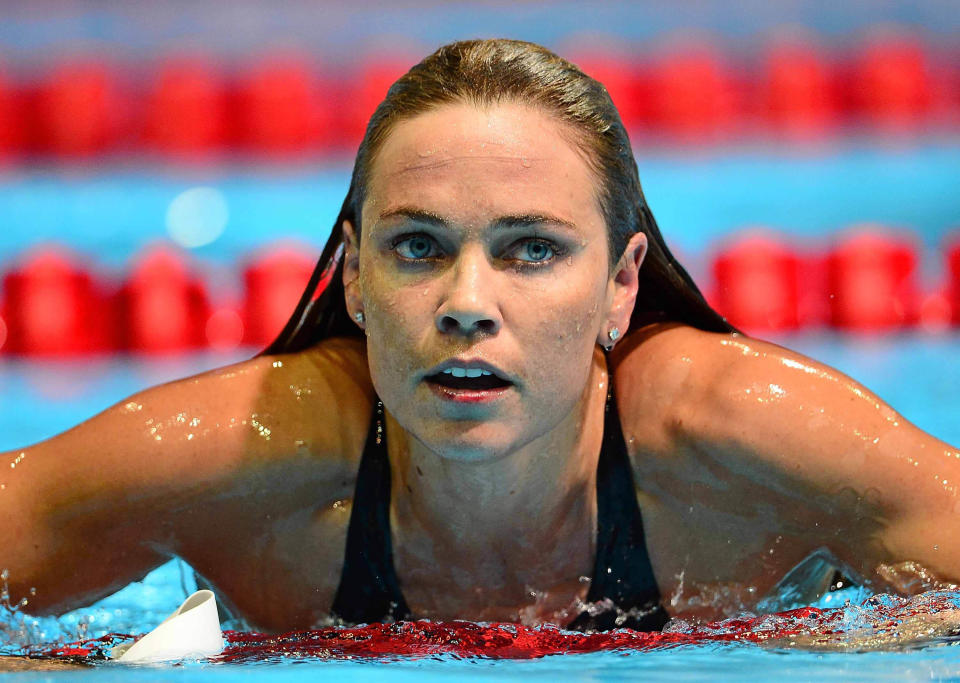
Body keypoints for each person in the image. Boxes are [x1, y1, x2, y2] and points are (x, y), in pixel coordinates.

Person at [1, 38, 958, 634]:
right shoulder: (250, 459)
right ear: (356, 281)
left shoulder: (734, 442)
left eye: (531, 251)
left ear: (621, 287)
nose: (467, 301)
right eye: (417, 246)